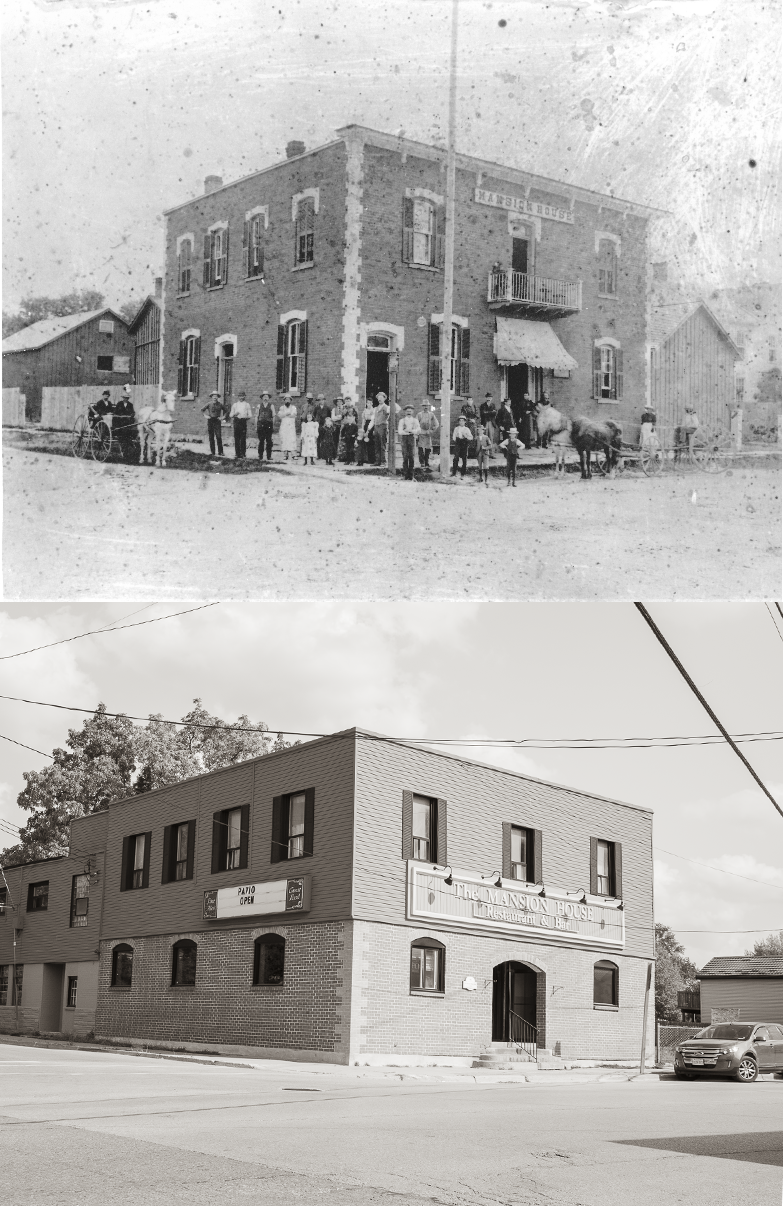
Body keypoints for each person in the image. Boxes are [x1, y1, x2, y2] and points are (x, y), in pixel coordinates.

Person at [398, 405, 421, 480]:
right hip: (404, 438)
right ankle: (405, 475)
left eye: (410, 411)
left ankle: (411, 475)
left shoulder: (415, 420)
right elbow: (400, 431)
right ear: (405, 412)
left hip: (411, 438)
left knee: (411, 457)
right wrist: (407, 432)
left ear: (412, 412)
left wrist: (412, 431)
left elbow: (419, 430)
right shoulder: (402, 421)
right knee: (405, 457)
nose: (408, 413)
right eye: (407, 411)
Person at [113, 387, 136, 462]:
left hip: (128, 422)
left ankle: (130, 450)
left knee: (132, 422)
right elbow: (115, 412)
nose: (126, 399)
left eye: (127, 398)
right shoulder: (119, 404)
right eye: (125, 398)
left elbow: (133, 412)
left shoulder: (130, 405)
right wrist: (121, 416)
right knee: (120, 424)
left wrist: (132, 415)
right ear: (123, 398)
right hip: (120, 421)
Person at [416, 399, 439, 471]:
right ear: (422, 407)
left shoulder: (431, 414)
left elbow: (436, 424)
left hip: (428, 433)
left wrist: (432, 430)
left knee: (428, 449)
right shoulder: (419, 414)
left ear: (429, 406)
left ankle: (426, 462)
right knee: (421, 448)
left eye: (427, 406)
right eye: (424, 406)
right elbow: (416, 424)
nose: (425, 407)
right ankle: (422, 462)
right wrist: (418, 431)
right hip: (421, 433)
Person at [201, 390, 225, 456]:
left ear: (218, 397)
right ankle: (213, 452)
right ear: (211, 397)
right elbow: (202, 410)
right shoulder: (209, 404)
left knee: (218, 436)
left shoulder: (220, 404)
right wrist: (205, 415)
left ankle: (221, 452)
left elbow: (227, 411)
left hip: (217, 420)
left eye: (216, 396)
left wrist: (222, 417)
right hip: (210, 420)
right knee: (211, 437)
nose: (215, 397)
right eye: (213, 396)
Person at [229, 391, 252, 459]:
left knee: (243, 438)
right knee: (237, 438)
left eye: (243, 396)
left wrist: (245, 417)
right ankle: (237, 453)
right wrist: (234, 414)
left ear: (245, 396)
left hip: (243, 422)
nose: (241, 397)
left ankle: (243, 453)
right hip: (236, 421)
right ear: (238, 397)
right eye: (240, 396)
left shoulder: (247, 404)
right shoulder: (235, 405)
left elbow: (250, 415)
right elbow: (230, 415)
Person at [256, 391, 275, 461]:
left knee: (269, 441)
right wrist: (256, 426)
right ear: (262, 398)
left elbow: (274, 416)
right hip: (261, 425)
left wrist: (272, 425)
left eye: (267, 397)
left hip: (268, 425)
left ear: (269, 398)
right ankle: (260, 455)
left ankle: (269, 456)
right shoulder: (259, 406)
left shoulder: (271, 406)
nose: (265, 398)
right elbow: (256, 416)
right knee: (261, 440)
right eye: (264, 397)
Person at [278, 394, 298, 460]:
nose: (287, 400)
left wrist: (287, 414)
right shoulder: (282, 408)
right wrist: (286, 414)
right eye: (286, 399)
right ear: (284, 400)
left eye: (288, 399)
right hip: (284, 426)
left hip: (291, 426)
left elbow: (294, 414)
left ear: (290, 400)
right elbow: (280, 415)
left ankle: (294, 454)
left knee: (292, 439)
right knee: (284, 439)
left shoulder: (293, 407)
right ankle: (285, 454)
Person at [373, 392, 390, 467]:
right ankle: (377, 461)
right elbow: (373, 419)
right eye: (378, 398)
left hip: (383, 426)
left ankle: (383, 461)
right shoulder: (376, 408)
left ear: (384, 398)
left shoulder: (386, 407)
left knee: (382, 444)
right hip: (376, 426)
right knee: (376, 444)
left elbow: (390, 416)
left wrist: (387, 425)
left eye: (381, 397)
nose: (379, 399)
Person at [314, 393, 330, 458]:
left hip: (325, 426)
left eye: (322, 400)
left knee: (325, 440)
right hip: (318, 426)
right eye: (319, 400)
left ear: (324, 400)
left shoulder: (327, 408)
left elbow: (329, 417)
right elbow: (314, 416)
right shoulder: (316, 408)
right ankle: (318, 454)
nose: (321, 401)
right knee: (318, 440)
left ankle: (324, 455)